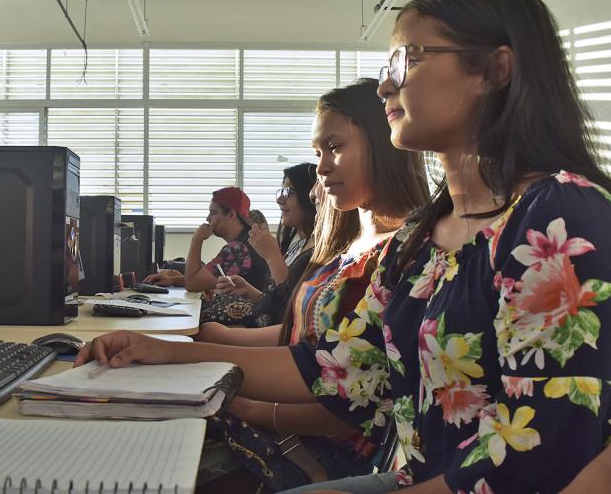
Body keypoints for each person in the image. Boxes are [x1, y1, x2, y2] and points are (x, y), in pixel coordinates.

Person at [281, 0, 611, 494]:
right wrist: (169, 354)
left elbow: (537, 446)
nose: (385, 86)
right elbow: (343, 369)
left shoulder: (559, 218)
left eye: (408, 59)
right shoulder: (421, 233)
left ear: (493, 70)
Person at [80, 79, 430, 492]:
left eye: (335, 147)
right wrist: (184, 351)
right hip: (289, 420)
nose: (320, 168)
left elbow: (342, 390)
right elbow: (302, 338)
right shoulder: (352, 245)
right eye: (319, 152)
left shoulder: (409, 250)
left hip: (326, 450)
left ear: (384, 142)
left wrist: (204, 372)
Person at [201, 163, 321, 327]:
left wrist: (272, 257)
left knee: (206, 329)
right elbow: (278, 298)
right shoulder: (298, 243)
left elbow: (293, 312)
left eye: (288, 192)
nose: (279, 200)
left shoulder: (320, 250)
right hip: (260, 324)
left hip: (274, 337)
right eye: (281, 192)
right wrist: (249, 291)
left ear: (312, 195)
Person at [144, 186, 270, 292]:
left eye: (214, 212)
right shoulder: (248, 241)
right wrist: (172, 280)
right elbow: (208, 279)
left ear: (231, 214)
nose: (208, 218)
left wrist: (197, 239)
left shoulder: (237, 249)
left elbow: (192, 284)